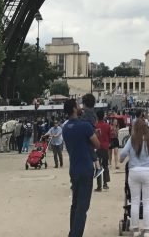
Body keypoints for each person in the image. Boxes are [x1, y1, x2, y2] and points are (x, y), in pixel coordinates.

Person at [62, 99, 100, 237]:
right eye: (77, 105)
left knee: (75, 204)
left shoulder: (65, 128)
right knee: (83, 207)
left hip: (74, 168)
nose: (80, 107)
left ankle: (72, 231)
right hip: (85, 168)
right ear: (73, 109)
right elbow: (97, 144)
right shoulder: (85, 126)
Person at [119, 117, 149, 237]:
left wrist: (121, 160)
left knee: (135, 201)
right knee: (147, 201)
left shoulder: (132, 140)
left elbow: (123, 153)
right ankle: (146, 229)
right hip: (148, 171)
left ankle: (135, 229)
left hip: (134, 171)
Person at [94, 110, 113, 192]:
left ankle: (99, 186)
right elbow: (110, 137)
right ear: (103, 116)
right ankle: (105, 183)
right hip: (105, 147)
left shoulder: (95, 126)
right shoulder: (107, 126)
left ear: (97, 117)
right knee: (105, 165)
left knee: (98, 167)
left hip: (97, 148)